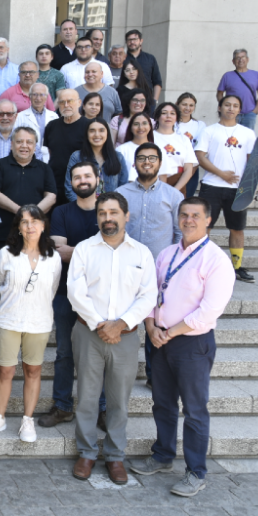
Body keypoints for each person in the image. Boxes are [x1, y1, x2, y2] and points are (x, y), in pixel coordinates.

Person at [129, 197, 236, 497]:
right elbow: (151, 293)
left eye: (195, 216)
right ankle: (163, 454)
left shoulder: (216, 260)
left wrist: (170, 331)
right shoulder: (167, 254)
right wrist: (150, 325)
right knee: (162, 403)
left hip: (192, 343)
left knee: (194, 409)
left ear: (208, 220)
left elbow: (209, 310)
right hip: (159, 340)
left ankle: (195, 471)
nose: (189, 220)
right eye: (184, 215)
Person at [67, 192, 157, 484]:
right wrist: (100, 324)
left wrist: (121, 324)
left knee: (119, 399)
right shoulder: (84, 249)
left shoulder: (142, 253)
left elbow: (148, 296)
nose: (108, 218)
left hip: (127, 336)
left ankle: (116, 457)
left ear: (126, 215)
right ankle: (87, 452)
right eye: (103, 213)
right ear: (97, 217)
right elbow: (75, 292)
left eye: (114, 212)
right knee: (88, 397)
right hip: (88, 333)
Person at [0, 205, 62, 443]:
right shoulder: (6, 253)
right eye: (24, 222)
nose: (30, 226)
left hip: (40, 321)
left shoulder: (53, 257)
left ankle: (28, 419)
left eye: (34, 221)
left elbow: (52, 288)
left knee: (33, 370)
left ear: (43, 224)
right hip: (8, 319)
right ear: (18, 227)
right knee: (5, 370)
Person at [36, 161, 106, 429]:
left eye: (88, 176)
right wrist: (97, 252)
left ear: (97, 179)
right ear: (71, 182)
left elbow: (113, 248)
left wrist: (77, 251)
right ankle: (63, 406)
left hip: (102, 296)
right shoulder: (63, 211)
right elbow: (59, 251)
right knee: (65, 352)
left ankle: (100, 408)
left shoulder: (106, 210)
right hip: (66, 293)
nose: (83, 180)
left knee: (98, 353)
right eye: (77, 177)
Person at [119, 141, 183, 387]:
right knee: (125, 321)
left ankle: (154, 376)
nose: (147, 162)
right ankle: (121, 373)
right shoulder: (122, 194)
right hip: (126, 269)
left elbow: (179, 235)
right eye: (142, 158)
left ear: (159, 162)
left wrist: (172, 266)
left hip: (159, 272)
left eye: (152, 158)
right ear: (134, 163)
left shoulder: (173, 196)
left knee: (156, 323)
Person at [196, 94, 258, 283]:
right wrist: (221, 173)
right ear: (219, 107)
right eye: (227, 105)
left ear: (239, 110)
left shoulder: (247, 133)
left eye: (235, 106)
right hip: (212, 186)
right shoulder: (210, 131)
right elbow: (200, 156)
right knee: (205, 227)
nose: (231, 108)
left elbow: (253, 162)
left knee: (237, 229)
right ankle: (201, 266)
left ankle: (237, 267)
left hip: (238, 189)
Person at [0, 126, 57, 252]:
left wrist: (31, 216)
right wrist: (20, 211)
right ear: (12, 144)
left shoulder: (45, 168)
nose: (24, 146)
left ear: (35, 147)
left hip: (35, 236)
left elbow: (51, 197)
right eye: (19, 142)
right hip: (2, 235)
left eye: (29, 142)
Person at [64, 117, 129, 199]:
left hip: (111, 208)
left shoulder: (118, 157)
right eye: (92, 131)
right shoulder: (76, 157)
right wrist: (84, 208)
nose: (97, 135)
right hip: (83, 208)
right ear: (86, 134)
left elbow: (124, 188)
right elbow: (69, 188)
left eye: (101, 130)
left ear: (107, 133)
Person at [44, 89, 90, 203]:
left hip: (80, 185)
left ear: (79, 103)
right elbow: (51, 152)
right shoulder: (51, 126)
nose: (66, 105)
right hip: (55, 185)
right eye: (62, 102)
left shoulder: (89, 127)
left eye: (70, 101)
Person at [153, 102, 198, 194]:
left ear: (176, 118)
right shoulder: (149, 137)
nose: (168, 116)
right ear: (157, 117)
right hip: (153, 183)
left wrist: (174, 190)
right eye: (164, 113)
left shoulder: (184, 139)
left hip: (178, 184)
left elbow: (188, 169)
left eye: (172, 113)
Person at [217, 48, 258, 131]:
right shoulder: (227, 76)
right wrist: (224, 108)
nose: (240, 60)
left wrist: (256, 109)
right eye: (237, 58)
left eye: (243, 57)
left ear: (247, 59)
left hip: (249, 114)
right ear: (233, 61)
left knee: (248, 138)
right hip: (232, 113)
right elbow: (219, 94)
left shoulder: (256, 74)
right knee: (231, 137)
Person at [13, 82, 58, 161]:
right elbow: (15, 139)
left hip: (50, 159)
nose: (38, 98)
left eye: (42, 95)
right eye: (35, 95)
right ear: (29, 96)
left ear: (47, 97)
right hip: (27, 159)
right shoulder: (20, 116)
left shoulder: (54, 116)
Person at [176, 92, 206, 195]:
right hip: (172, 169)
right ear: (177, 104)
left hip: (192, 169)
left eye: (191, 105)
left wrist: (190, 171)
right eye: (184, 104)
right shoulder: (171, 124)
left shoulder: (200, 125)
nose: (187, 108)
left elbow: (200, 151)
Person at [124, 29, 163, 102]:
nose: (132, 42)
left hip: (147, 100)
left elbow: (157, 81)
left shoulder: (150, 58)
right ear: (126, 42)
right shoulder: (123, 59)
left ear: (141, 41)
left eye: (135, 39)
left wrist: (155, 100)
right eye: (129, 40)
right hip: (126, 99)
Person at [116, 113, 155, 179]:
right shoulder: (120, 150)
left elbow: (162, 176)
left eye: (144, 123)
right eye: (136, 124)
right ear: (130, 128)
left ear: (150, 126)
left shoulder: (157, 150)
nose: (140, 127)